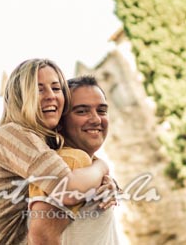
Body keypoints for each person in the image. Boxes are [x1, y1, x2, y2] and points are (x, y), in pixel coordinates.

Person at [0, 59, 110, 245]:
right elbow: (68, 190)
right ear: (20, 97)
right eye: (39, 89)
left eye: (56, 88)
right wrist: (101, 166)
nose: (50, 95)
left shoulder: (37, 143)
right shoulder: (15, 135)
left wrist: (107, 182)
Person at [27, 75, 121, 245]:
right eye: (82, 111)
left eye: (101, 110)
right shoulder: (70, 161)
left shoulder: (82, 163)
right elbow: (42, 238)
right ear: (60, 122)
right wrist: (102, 167)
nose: (96, 119)